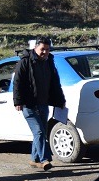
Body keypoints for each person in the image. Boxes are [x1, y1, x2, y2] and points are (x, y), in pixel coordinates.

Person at [13, 39, 66, 170]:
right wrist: (18, 101)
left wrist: (60, 100)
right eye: (42, 49)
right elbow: (17, 83)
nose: (45, 52)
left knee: (40, 132)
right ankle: (45, 159)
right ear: (35, 48)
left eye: (47, 49)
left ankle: (34, 159)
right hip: (28, 105)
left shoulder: (49, 62)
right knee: (39, 132)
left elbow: (55, 83)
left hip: (43, 104)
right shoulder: (25, 61)